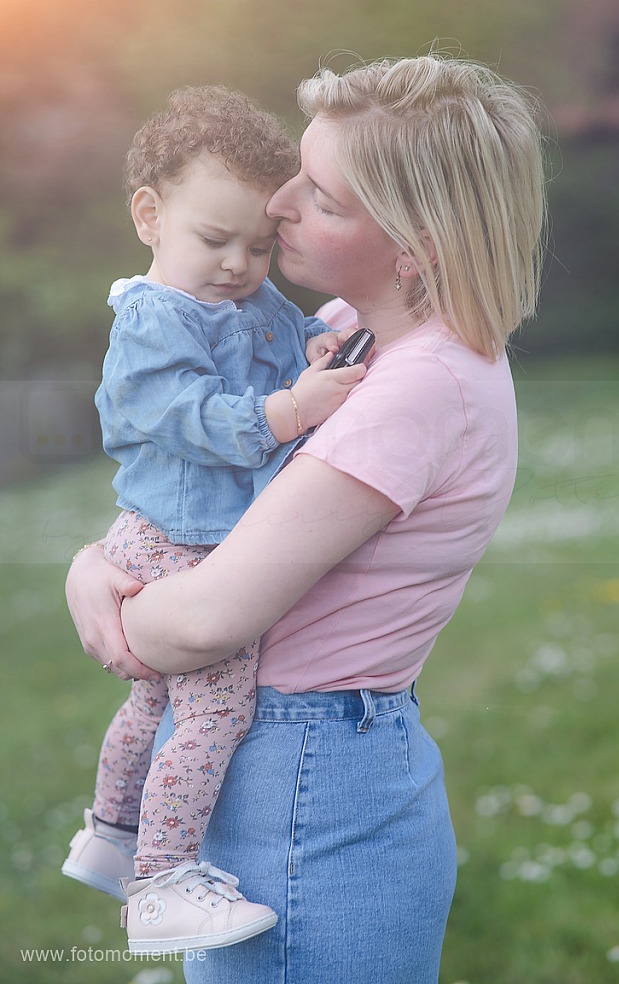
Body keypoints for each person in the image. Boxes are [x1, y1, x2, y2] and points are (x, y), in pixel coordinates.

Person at [66, 54, 546, 983]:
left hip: (307, 777)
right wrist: (101, 553)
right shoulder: (352, 335)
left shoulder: (414, 392)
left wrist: (104, 599)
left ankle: (126, 845)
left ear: (416, 245)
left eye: (319, 195)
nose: (277, 204)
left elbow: (206, 620)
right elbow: (190, 482)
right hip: (292, 760)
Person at [60, 85, 366, 955]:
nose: (237, 263)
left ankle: (112, 837)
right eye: (213, 239)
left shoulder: (246, 295)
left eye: (259, 245)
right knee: (213, 712)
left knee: (152, 697)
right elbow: (185, 415)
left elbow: (287, 328)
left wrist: (309, 343)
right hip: (177, 538)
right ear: (150, 215)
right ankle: (159, 883)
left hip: (178, 531)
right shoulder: (153, 319)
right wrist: (290, 410)